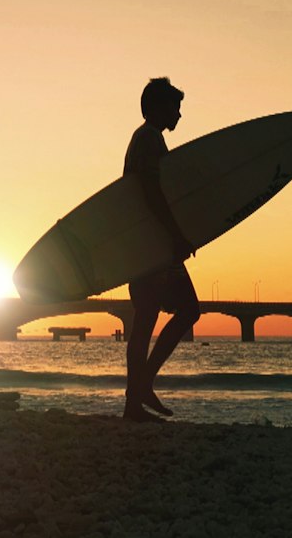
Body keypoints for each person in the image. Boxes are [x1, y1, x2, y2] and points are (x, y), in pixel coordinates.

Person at [123, 76, 200, 421]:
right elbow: (152, 195)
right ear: (157, 107)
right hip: (151, 247)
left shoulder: (146, 139)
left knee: (156, 319)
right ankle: (138, 393)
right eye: (175, 107)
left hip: (149, 246)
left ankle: (137, 395)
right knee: (166, 316)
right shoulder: (148, 140)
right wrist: (176, 236)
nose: (179, 115)